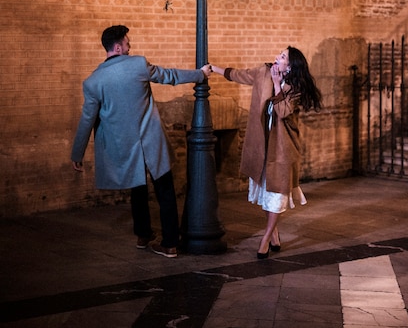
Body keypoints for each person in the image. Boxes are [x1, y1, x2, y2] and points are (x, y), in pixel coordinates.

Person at [71, 24, 211, 259]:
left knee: (137, 187)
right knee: (165, 190)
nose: (130, 46)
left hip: (124, 147)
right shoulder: (138, 65)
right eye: (127, 42)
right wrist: (200, 74)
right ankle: (169, 244)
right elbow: (170, 76)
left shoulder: (93, 82)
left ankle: (143, 235)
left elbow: (88, 119)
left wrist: (77, 154)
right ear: (117, 47)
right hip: (150, 140)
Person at [210, 47, 322, 259]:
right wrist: (214, 69)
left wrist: (278, 84)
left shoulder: (295, 88)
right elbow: (239, 75)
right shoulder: (263, 72)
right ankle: (274, 235)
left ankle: (265, 238)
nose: (276, 58)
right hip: (262, 147)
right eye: (279, 54)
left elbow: (282, 112)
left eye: (282, 57)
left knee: (276, 196)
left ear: (290, 66)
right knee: (265, 195)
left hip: (282, 151)